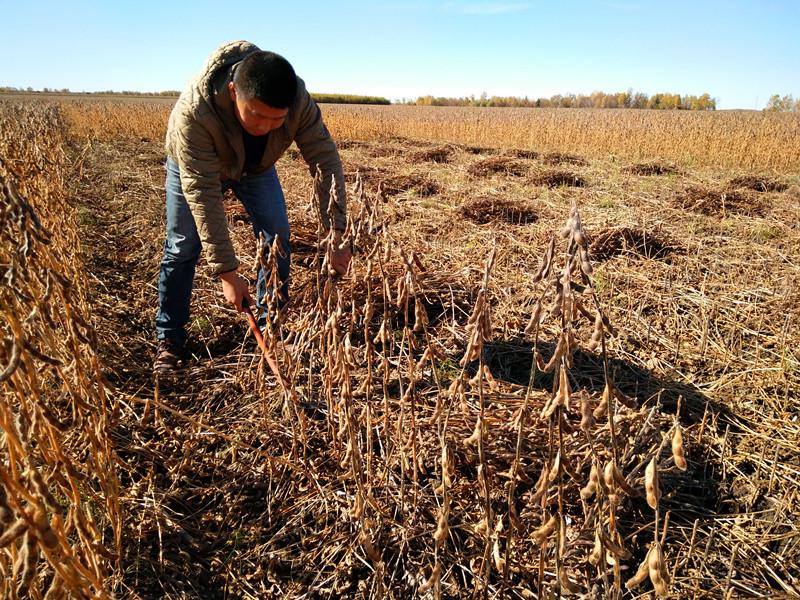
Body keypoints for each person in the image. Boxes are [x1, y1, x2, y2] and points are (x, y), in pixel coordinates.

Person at [154, 40, 351, 372]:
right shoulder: (196, 112)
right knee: (183, 245)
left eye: (276, 121)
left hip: (256, 168)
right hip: (195, 166)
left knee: (277, 236)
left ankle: (270, 321)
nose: (264, 127)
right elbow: (202, 193)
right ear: (233, 92)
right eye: (257, 115)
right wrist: (227, 272)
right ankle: (170, 339)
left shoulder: (297, 100)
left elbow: (324, 159)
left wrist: (335, 231)